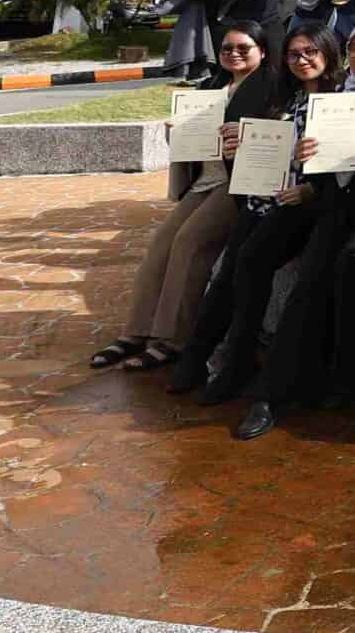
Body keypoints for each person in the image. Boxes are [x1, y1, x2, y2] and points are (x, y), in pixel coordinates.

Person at [222, 18, 355, 442]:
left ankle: (346, 380)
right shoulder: (337, 97)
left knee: (347, 276)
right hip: (340, 207)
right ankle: (270, 394)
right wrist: (309, 158)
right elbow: (322, 170)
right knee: (307, 282)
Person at [91, 21, 281, 371]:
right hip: (204, 181)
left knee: (190, 242)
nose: (234, 54)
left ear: (263, 51)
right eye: (227, 49)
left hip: (237, 183)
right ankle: (137, 331)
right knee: (162, 241)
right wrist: (177, 132)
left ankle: (174, 338)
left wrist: (246, 136)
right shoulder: (211, 84)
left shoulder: (272, 87)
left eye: (244, 48)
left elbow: (277, 135)